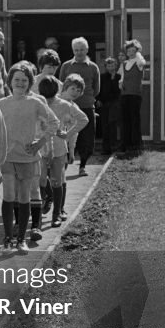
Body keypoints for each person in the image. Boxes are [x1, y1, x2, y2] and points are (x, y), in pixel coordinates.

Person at [0, 64, 59, 252]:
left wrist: (40, 144)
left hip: (27, 158)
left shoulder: (35, 103)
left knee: (24, 197)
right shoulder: (2, 103)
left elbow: (54, 122)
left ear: (30, 83)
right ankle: (8, 239)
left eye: (24, 80)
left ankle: (21, 239)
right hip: (7, 157)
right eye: (17, 79)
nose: (20, 83)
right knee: (8, 196)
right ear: (10, 82)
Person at [37, 76, 87, 229]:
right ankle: (37, 216)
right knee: (40, 181)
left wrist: (68, 134)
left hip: (58, 149)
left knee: (57, 181)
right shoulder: (37, 103)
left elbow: (83, 119)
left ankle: (56, 214)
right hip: (40, 148)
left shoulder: (65, 105)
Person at [57, 37, 101, 176]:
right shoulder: (66, 66)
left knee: (87, 137)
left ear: (87, 50)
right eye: (76, 50)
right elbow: (61, 84)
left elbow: (97, 88)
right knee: (67, 136)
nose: (79, 52)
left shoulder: (93, 67)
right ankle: (63, 166)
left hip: (87, 105)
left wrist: (87, 97)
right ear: (72, 50)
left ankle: (82, 165)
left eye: (82, 50)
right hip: (68, 106)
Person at [56, 74, 87, 222]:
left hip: (63, 147)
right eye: (72, 88)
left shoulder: (75, 108)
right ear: (65, 87)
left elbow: (75, 131)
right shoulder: (55, 101)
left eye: (78, 90)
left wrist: (72, 150)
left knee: (61, 178)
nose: (75, 92)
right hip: (47, 145)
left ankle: (60, 208)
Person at [119, 39, 146, 153]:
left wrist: (138, 52)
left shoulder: (139, 62)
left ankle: (136, 144)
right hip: (125, 95)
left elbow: (142, 63)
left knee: (135, 119)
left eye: (133, 50)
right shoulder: (124, 63)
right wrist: (120, 84)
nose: (131, 52)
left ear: (136, 50)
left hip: (135, 95)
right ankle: (126, 144)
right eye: (129, 50)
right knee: (125, 120)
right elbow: (121, 78)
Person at [96, 56, 122, 155]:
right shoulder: (102, 77)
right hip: (104, 103)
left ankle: (114, 146)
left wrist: (113, 78)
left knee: (113, 124)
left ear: (115, 66)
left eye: (112, 65)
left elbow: (118, 91)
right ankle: (105, 148)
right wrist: (98, 99)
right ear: (106, 66)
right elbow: (99, 89)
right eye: (108, 65)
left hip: (115, 103)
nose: (110, 67)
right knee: (105, 125)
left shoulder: (119, 77)